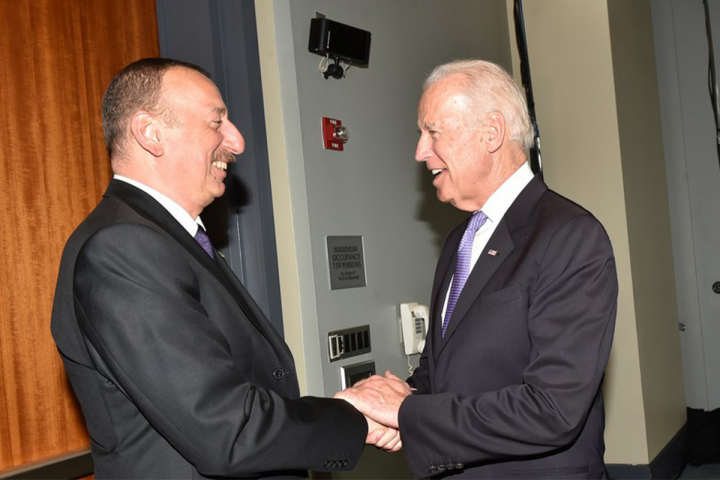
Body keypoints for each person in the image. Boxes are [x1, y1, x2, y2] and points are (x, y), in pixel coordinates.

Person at [51, 58, 399, 479]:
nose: (237, 141)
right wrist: (352, 417)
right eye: (217, 122)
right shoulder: (123, 248)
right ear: (150, 132)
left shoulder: (167, 239)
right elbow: (225, 430)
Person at [335, 59, 618, 479]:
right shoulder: (460, 241)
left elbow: (553, 409)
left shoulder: (571, 236)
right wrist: (402, 399)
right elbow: (443, 370)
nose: (420, 152)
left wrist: (407, 412)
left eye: (432, 132)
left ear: (491, 132)